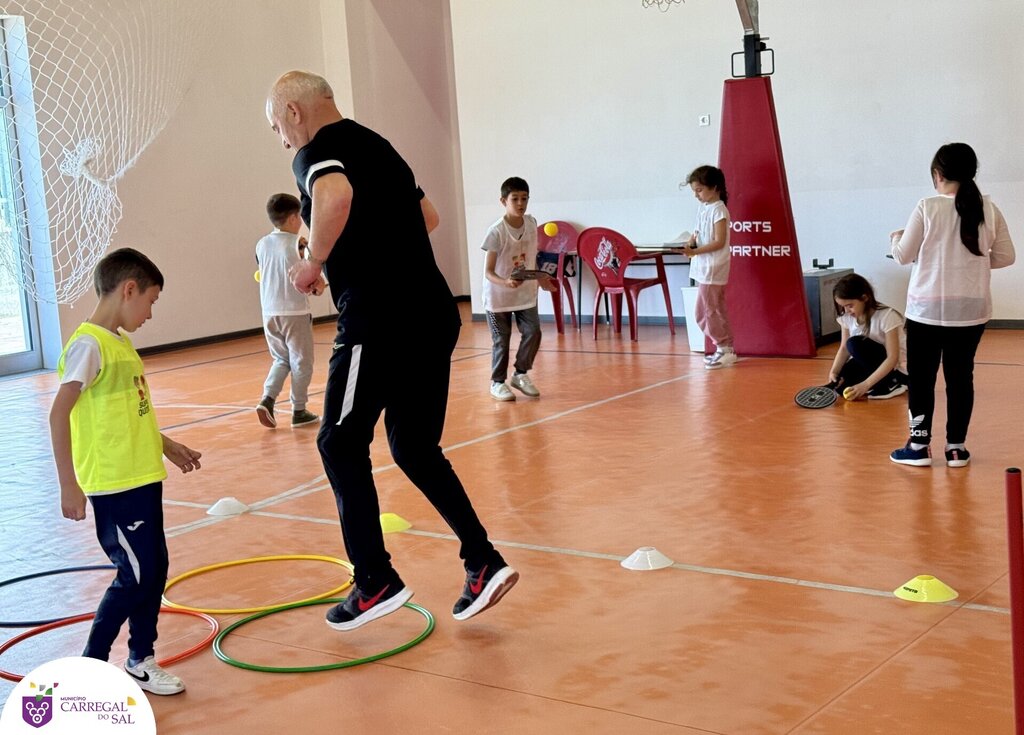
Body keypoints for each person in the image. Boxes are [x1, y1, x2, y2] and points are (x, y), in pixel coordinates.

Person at [266, 70, 517, 629]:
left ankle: (374, 579)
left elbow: (335, 195)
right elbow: (427, 217)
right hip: (432, 313)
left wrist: (315, 262)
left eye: (276, 124)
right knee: (414, 448)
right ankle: (482, 561)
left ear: (294, 110)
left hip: (378, 321)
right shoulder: (378, 145)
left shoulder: (317, 152)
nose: (280, 138)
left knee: (338, 442)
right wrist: (372, 245)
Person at [48, 248, 203, 695]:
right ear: (128, 288)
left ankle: (140, 657)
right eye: (151, 301)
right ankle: (91, 666)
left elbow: (134, 413)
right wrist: (68, 484)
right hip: (115, 485)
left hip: (142, 478)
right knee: (134, 574)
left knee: (153, 569)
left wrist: (167, 445)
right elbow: (60, 415)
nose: (151, 313)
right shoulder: (89, 345)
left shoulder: (119, 344)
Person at [889, 142, 1015, 467]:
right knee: (961, 377)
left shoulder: (927, 206)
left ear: (937, 174)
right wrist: (970, 265)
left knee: (922, 378)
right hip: (971, 311)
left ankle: (918, 447)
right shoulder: (989, 208)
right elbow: (1005, 257)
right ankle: (956, 447)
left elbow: (903, 255)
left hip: (926, 310)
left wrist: (895, 238)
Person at [481, 176, 554, 402]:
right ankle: (497, 383)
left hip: (525, 295)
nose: (520, 203)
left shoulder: (532, 224)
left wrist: (541, 278)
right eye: (515, 199)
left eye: (524, 198)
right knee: (501, 340)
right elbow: (488, 271)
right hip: (498, 298)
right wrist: (506, 282)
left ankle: (520, 374)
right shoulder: (496, 232)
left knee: (533, 332)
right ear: (503, 201)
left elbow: (531, 258)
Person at [254, 193, 322, 429]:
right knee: (302, 362)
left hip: (269, 313)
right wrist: (317, 286)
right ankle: (299, 410)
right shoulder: (299, 244)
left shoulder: (261, 244)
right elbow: (313, 278)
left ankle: (268, 398)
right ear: (294, 217)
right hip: (294, 312)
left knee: (281, 359)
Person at [685, 165, 736, 369]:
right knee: (707, 310)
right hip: (702, 267)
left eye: (699, 190)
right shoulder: (703, 208)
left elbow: (719, 241)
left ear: (714, 187)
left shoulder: (719, 210)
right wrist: (690, 244)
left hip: (713, 267)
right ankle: (724, 347)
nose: (696, 195)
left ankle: (724, 347)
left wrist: (695, 252)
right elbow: (697, 233)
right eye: (694, 191)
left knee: (708, 311)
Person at [828, 273, 908, 400]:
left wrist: (865, 385)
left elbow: (893, 358)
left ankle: (893, 382)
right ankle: (879, 381)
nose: (847, 311)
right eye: (843, 306)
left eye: (850, 305)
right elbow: (843, 349)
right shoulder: (846, 317)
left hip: (896, 368)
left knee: (854, 343)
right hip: (871, 362)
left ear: (865, 298)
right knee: (841, 386)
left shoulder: (888, 316)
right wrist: (834, 371)